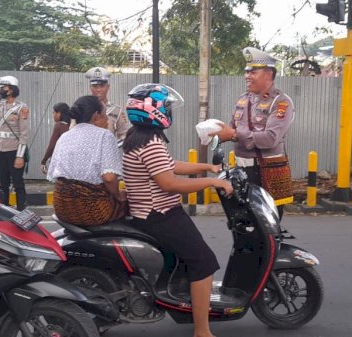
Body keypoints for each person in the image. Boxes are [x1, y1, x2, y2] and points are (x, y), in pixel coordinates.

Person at [121, 83, 233, 337]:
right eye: (167, 106)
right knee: (204, 263)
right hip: (159, 215)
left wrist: (207, 167)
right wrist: (213, 182)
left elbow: (170, 165)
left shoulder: (138, 137)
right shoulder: (150, 142)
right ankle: (202, 331)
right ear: (155, 110)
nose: (170, 110)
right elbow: (169, 182)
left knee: (190, 259)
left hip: (148, 214)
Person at [212, 47, 295, 217]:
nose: (247, 76)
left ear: (268, 75)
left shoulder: (281, 102)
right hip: (242, 171)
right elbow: (231, 128)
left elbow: (270, 139)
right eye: (246, 72)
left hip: (268, 171)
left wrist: (234, 134)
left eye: (253, 71)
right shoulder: (243, 99)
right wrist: (217, 133)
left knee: (268, 226)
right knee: (243, 222)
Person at [46, 95, 127, 226]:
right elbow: (109, 178)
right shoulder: (105, 135)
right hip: (92, 210)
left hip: (61, 207)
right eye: (105, 114)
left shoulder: (65, 136)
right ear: (96, 115)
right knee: (127, 203)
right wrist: (118, 196)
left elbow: (55, 174)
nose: (107, 119)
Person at [0, 75, 29, 210]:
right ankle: (4, 210)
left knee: (17, 183)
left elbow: (24, 133)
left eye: (3, 87)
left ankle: (22, 210)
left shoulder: (22, 108)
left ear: (11, 90)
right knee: (3, 183)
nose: (1, 90)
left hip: (14, 150)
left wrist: (20, 156)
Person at [84, 66, 131, 141]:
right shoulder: (83, 108)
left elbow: (123, 135)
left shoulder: (116, 111)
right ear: (90, 87)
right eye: (95, 86)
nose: (98, 90)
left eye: (102, 86)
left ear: (108, 87)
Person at [40, 102, 70, 174]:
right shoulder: (73, 125)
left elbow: (52, 145)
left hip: (61, 161)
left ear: (59, 113)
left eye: (54, 112)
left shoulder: (59, 126)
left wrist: (43, 161)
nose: (53, 115)